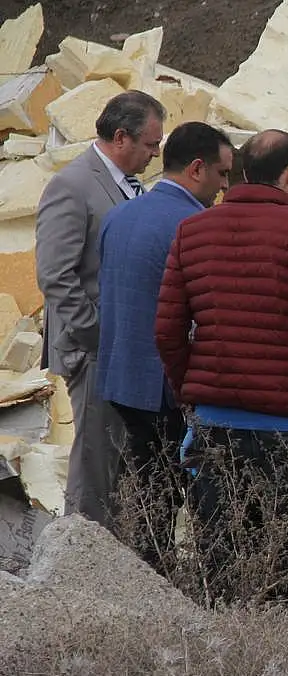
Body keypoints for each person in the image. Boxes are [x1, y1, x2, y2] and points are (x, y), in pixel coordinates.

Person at [156, 129, 288, 601]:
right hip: (285, 432)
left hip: (215, 428)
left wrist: (190, 394)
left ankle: (223, 644)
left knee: (220, 564)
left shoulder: (193, 230)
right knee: (284, 571)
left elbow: (168, 331)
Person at [96, 121, 233, 571]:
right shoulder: (193, 226)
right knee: (172, 497)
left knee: (143, 488)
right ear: (196, 168)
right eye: (221, 174)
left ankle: (133, 570)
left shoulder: (120, 215)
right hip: (165, 385)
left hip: (120, 377)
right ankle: (154, 580)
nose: (224, 187)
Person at [36, 90, 166, 527]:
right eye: (150, 144)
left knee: (118, 461)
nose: (155, 154)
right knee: (94, 461)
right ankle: (77, 551)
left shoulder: (129, 184)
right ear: (121, 137)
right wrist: (95, 335)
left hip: (122, 349)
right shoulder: (73, 185)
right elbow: (55, 274)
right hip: (93, 349)